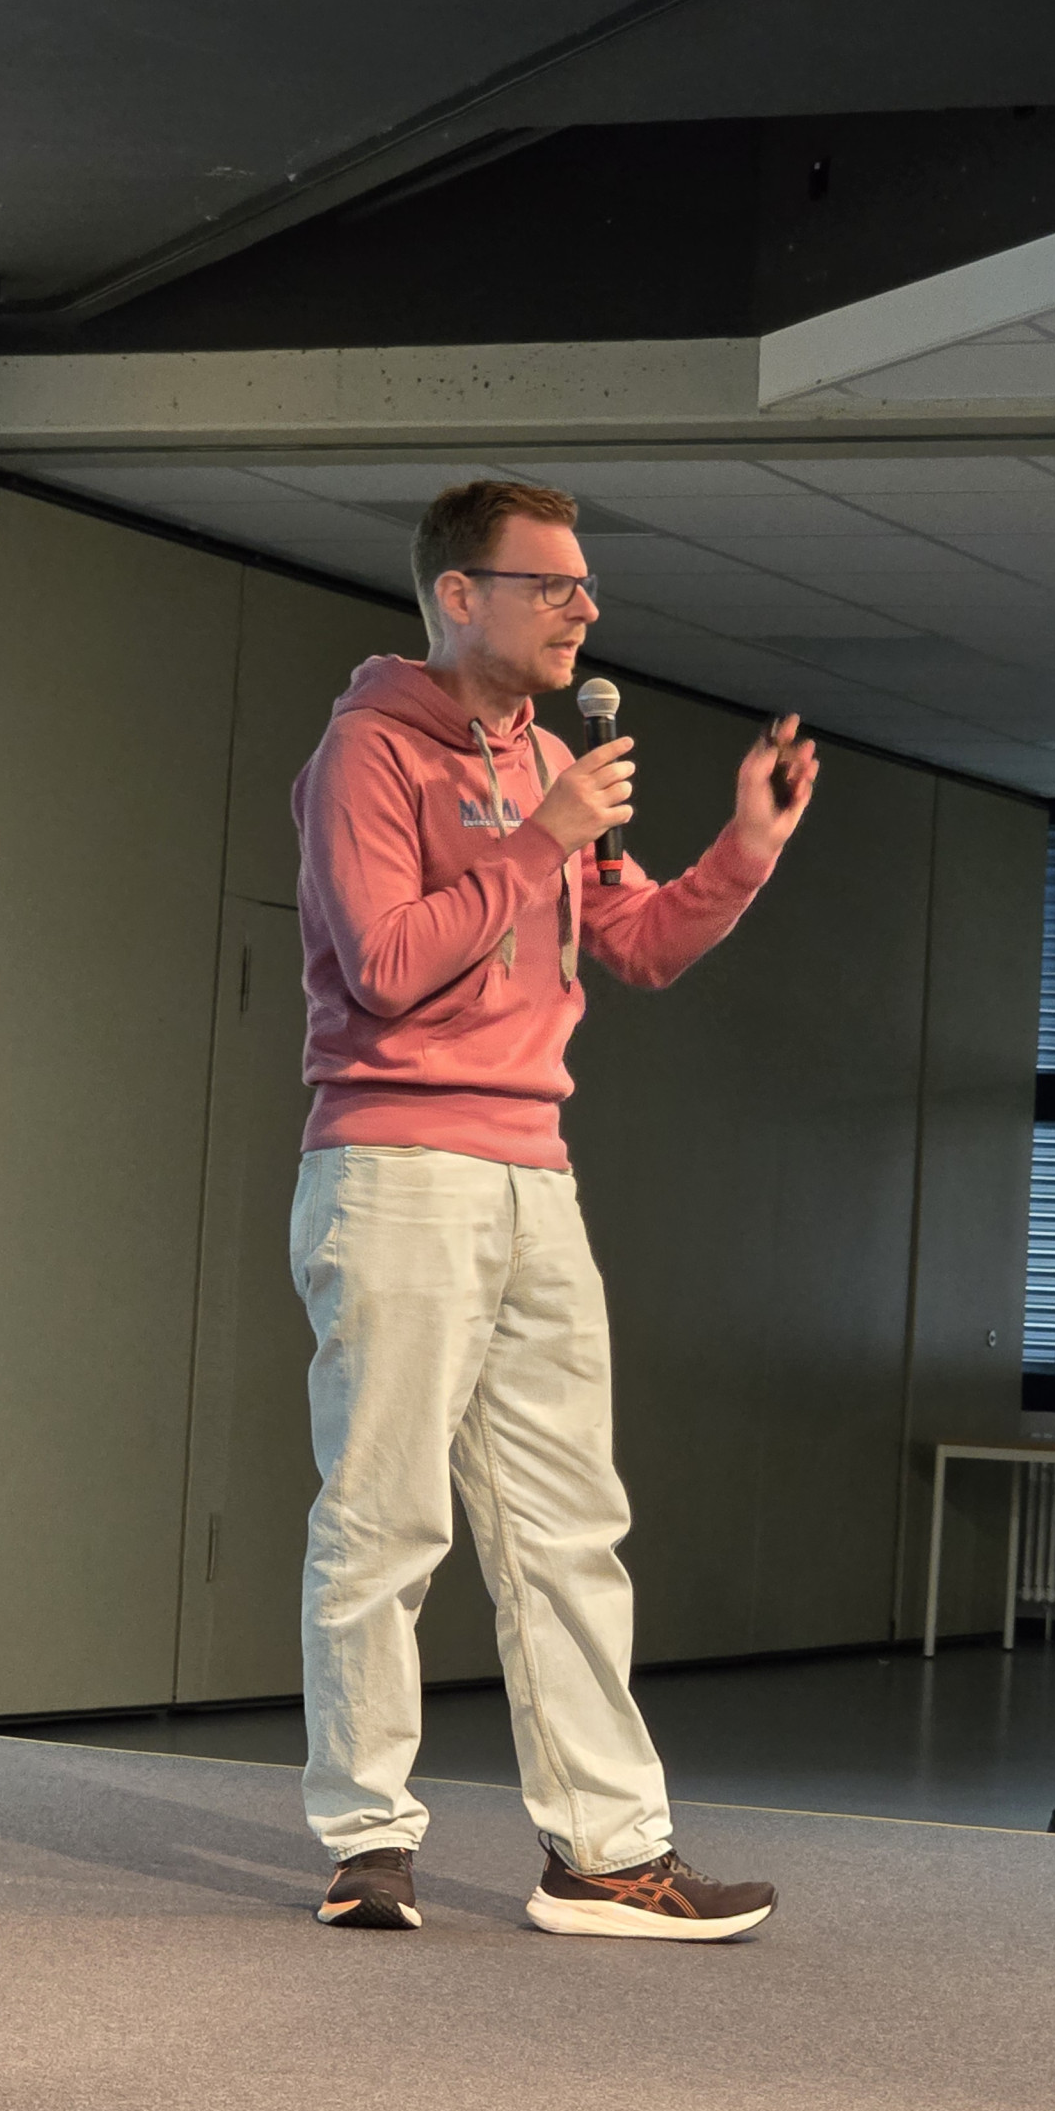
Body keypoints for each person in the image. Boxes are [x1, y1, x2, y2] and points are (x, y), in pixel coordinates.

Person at [290, 478, 818, 1939]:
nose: (585, 609)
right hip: (399, 1167)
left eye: (586, 586)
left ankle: (605, 1854)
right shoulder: (366, 754)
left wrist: (746, 847)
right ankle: (366, 1840)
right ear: (461, 596)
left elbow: (634, 944)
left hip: (536, 1172)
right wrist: (541, 836)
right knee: (385, 1519)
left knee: (571, 1525)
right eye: (554, 585)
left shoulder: (548, 760)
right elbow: (386, 963)